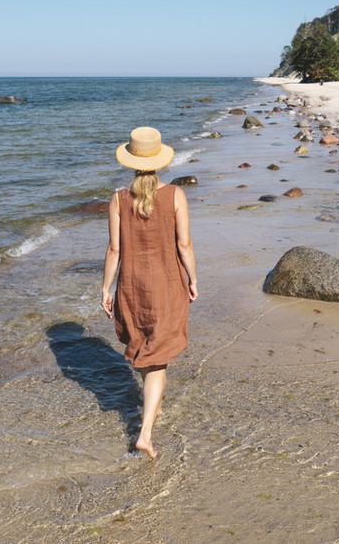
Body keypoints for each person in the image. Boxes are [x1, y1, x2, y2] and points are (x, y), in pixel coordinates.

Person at [101, 127, 198, 459]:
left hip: (131, 287)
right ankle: (144, 434)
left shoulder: (117, 199)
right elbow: (183, 244)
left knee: (145, 346)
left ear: (130, 162)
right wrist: (193, 278)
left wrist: (106, 289)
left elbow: (114, 249)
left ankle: (153, 407)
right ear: (159, 161)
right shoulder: (174, 196)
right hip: (166, 286)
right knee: (158, 360)